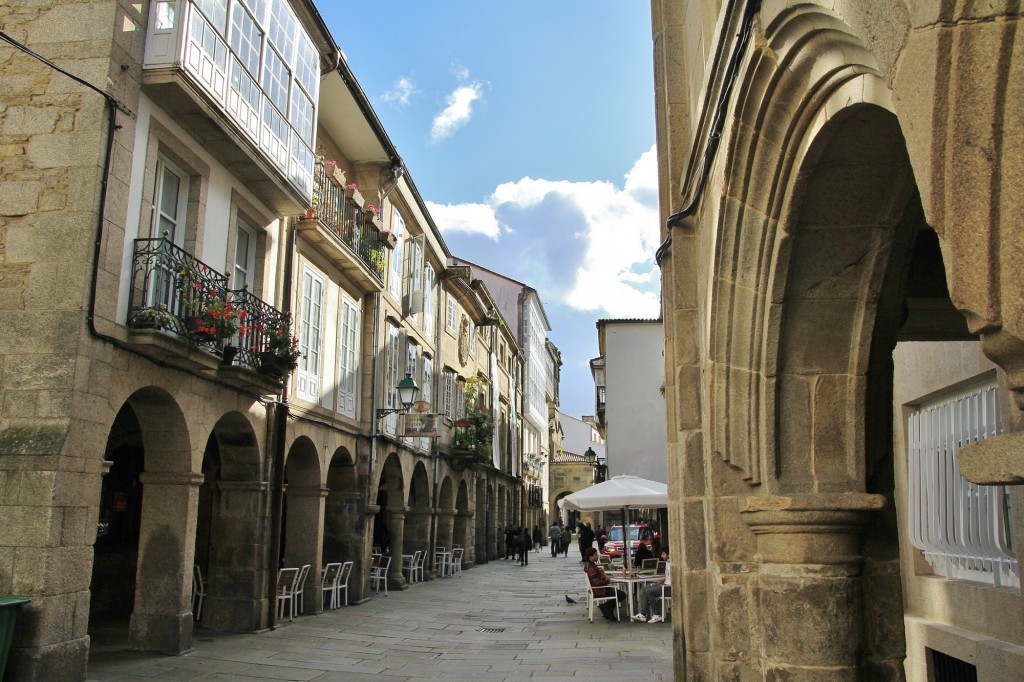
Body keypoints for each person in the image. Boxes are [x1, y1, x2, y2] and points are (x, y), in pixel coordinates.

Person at [583, 547, 626, 621]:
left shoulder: (589, 565)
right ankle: (606, 607)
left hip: (596, 589)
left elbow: (597, 579)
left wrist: (604, 577)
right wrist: (608, 580)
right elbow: (597, 583)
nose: (597, 556)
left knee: (618, 592)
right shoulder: (591, 568)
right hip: (599, 590)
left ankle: (607, 608)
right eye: (596, 554)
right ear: (591, 556)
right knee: (622, 594)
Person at [631, 548, 671, 624]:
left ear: (669, 555)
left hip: (668, 587)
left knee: (649, 591)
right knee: (645, 589)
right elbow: (668, 576)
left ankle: (657, 614)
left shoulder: (672, 564)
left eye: (663, 554)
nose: (661, 556)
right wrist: (661, 580)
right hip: (665, 585)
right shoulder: (668, 562)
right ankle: (643, 614)